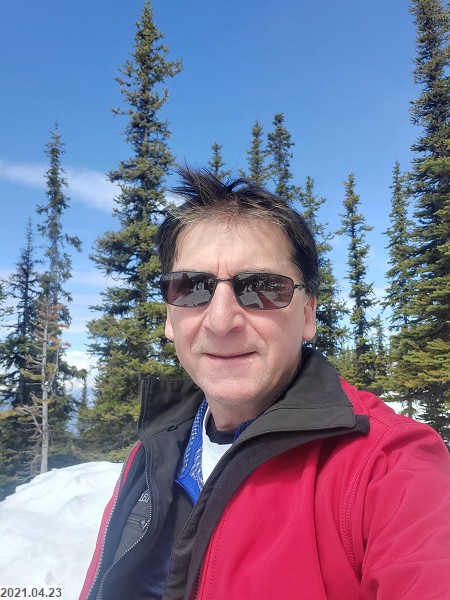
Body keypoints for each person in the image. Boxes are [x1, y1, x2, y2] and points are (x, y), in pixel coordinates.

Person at [79, 167, 450, 600]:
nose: (220, 321)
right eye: (191, 288)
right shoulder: (152, 449)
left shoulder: (387, 466)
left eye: (261, 288)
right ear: (169, 316)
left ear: (307, 314)